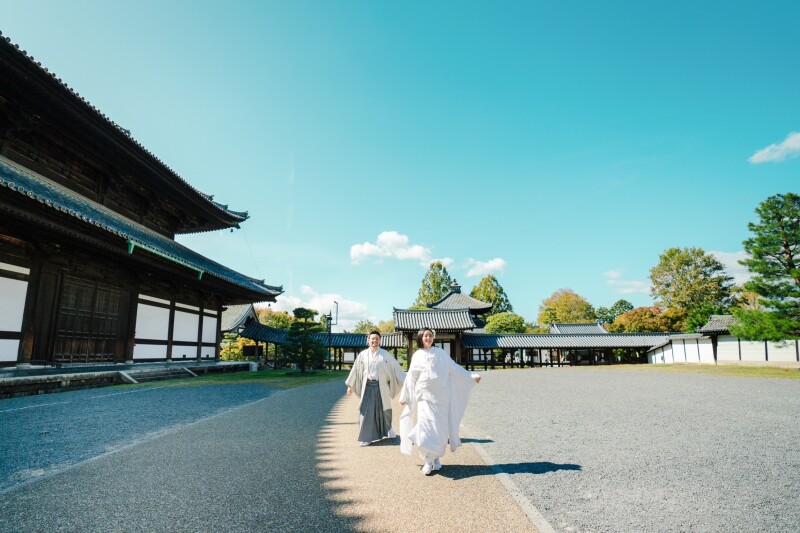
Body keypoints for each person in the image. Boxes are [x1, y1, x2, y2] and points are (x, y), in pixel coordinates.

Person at [399, 328, 481, 475]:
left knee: (440, 430)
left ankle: (436, 458)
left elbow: (454, 368)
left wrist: (470, 376)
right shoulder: (417, 355)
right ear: (420, 338)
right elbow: (411, 377)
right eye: (425, 336)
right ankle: (428, 460)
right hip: (424, 398)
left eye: (430, 336)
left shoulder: (441, 353)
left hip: (441, 398)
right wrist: (405, 396)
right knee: (425, 429)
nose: (428, 338)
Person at [345, 330, 406, 447]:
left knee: (384, 410)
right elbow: (355, 370)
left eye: (377, 339)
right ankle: (366, 437)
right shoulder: (362, 355)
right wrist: (350, 386)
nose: (375, 341)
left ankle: (389, 428)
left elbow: (396, 368)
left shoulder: (385, 354)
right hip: (367, 386)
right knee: (365, 412)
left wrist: (406, 382)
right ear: (368, 340)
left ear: (380, 341)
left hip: (381, 386)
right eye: (372, 338)